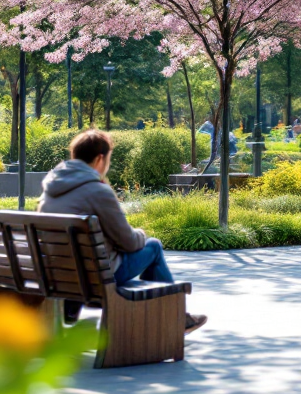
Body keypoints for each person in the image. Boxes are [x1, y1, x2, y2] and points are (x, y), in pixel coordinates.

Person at [39, 129, 207, 333]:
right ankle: (176, 319)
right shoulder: (97, 191)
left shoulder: (50, 190)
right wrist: (141, 233)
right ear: (100, 158)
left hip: (61, 277)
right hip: (97, 279)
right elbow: (128, 242)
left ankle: (71, 309)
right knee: (153, 246)